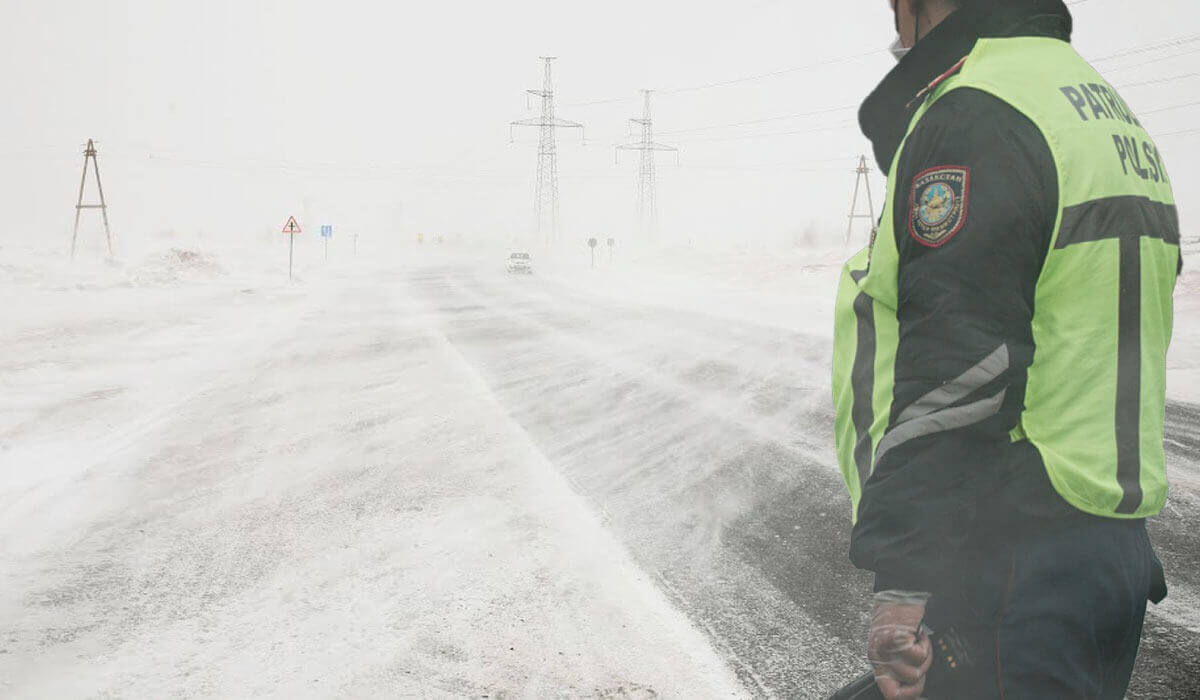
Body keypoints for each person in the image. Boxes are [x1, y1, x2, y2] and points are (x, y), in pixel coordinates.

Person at [831, 0, 1179, 697]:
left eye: (898, 9)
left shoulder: (978, 112)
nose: (896, 31)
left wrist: (903, 581)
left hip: (1005, 551)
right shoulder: (1096, 110)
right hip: (1096, 549)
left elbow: (959, 371)